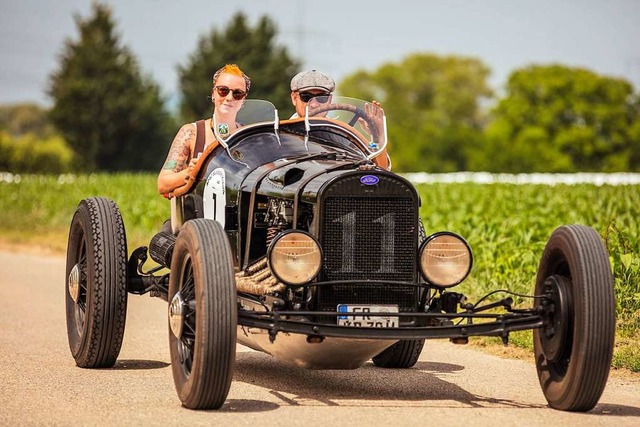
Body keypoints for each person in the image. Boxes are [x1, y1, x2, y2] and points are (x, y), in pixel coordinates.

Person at [157, 63, 251, 196]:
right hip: (196, 212)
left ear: (243, 100)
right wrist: (190, 173)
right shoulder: (192, 132)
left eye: (237, 93)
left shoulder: (248, 137)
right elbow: (162, 183)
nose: (229, 98)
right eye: (223, 90)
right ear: (213, 93)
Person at [289, 69, 390, 170]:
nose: (314, 104)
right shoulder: (280, 135)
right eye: (306, 97)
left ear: (330, 100)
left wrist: (378, 134)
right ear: (294, 98)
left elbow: (381, 170)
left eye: (321, 98)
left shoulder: (343, 135)